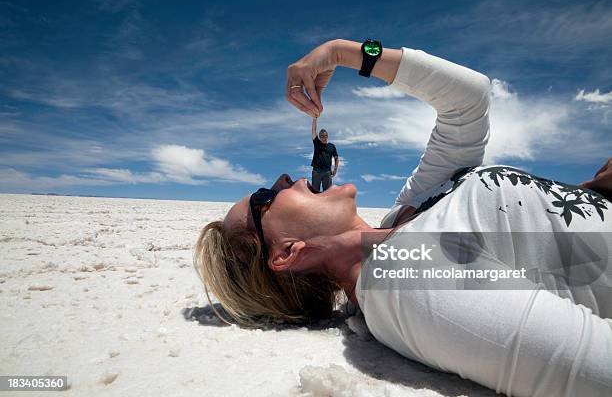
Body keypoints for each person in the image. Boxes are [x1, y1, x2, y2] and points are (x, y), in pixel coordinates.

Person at [194, 39, 612, 396]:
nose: (284, 178)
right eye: (266, 197)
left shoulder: (406, 211)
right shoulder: (405, 286)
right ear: (286, 253)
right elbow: (598, 370)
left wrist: (343, 53)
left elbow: (468, 102)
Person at [310, 117, 339, 192]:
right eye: (322, 136)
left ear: (327, 136)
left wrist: (335, 168)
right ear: (319, 137)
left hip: (327, 172)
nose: (324, 137)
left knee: (328, 193)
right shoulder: (317, 143)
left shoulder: (331, 146)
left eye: (325, 136)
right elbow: (313, 130)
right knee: (315, 193)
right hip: (317, 171)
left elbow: (336, 157)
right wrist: (314, 119)